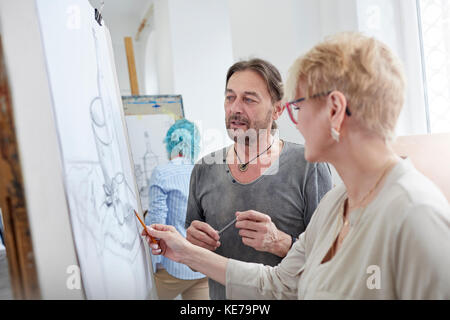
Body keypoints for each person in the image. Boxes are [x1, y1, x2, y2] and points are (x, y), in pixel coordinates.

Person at [143, 32, 450, 299]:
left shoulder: (416, 215)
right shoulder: (336, 204)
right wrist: (184, 250)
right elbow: (278, 283)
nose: (296, 121)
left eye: (299, 106)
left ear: (335, 110)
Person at [184, 58, 333, 299]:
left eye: (249, 99)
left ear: (278, 109)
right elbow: (194, 260)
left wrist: (281, 243)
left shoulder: (308, 166)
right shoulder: (203, 170)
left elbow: (331, 258)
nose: (235, 108)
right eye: (230, 97)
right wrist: (192, 248)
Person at [144, 119, 209, 300]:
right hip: (202, 266)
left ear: (170, 143)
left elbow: (157, 224)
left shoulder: (162, 173)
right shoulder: (204, 172)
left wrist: (156, 262)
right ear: (194, 144)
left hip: (173, 268)